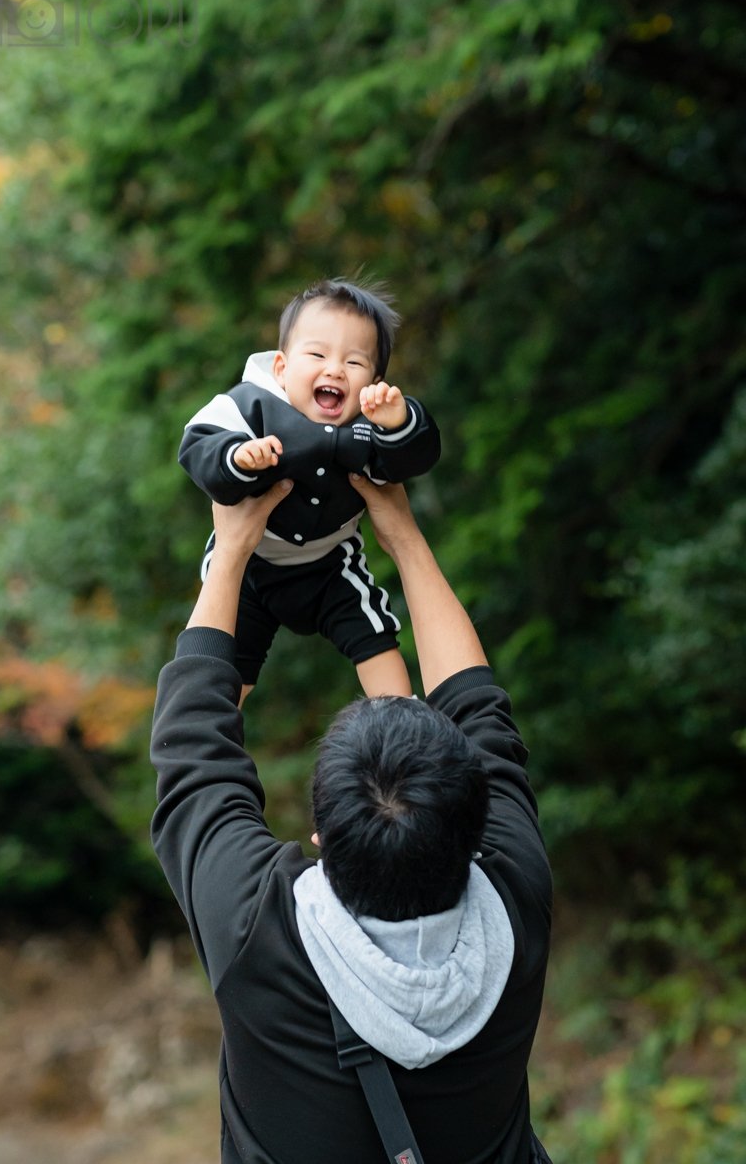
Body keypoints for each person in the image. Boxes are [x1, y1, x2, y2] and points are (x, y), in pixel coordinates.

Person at [150, 474, 553, 1164]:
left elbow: (192, 751)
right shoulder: (512, 906)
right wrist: (400, 527)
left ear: (319, 843)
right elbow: (194, 752)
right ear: (475, 829)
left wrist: (236, 543)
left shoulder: (257, 929)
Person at [178, 278, 440, 702]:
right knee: (228, 664)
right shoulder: (252, 404)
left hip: (330, 563)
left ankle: (401, 719)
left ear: (374, 380)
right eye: (317, 354)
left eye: (354, 364)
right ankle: (214, 737)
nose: (334, 369)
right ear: (281, 367)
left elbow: (415, 458)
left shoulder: (370, 425)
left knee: (374, 634)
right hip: (250, 563)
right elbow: (197, 444)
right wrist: (238, 457)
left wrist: (399, 422)